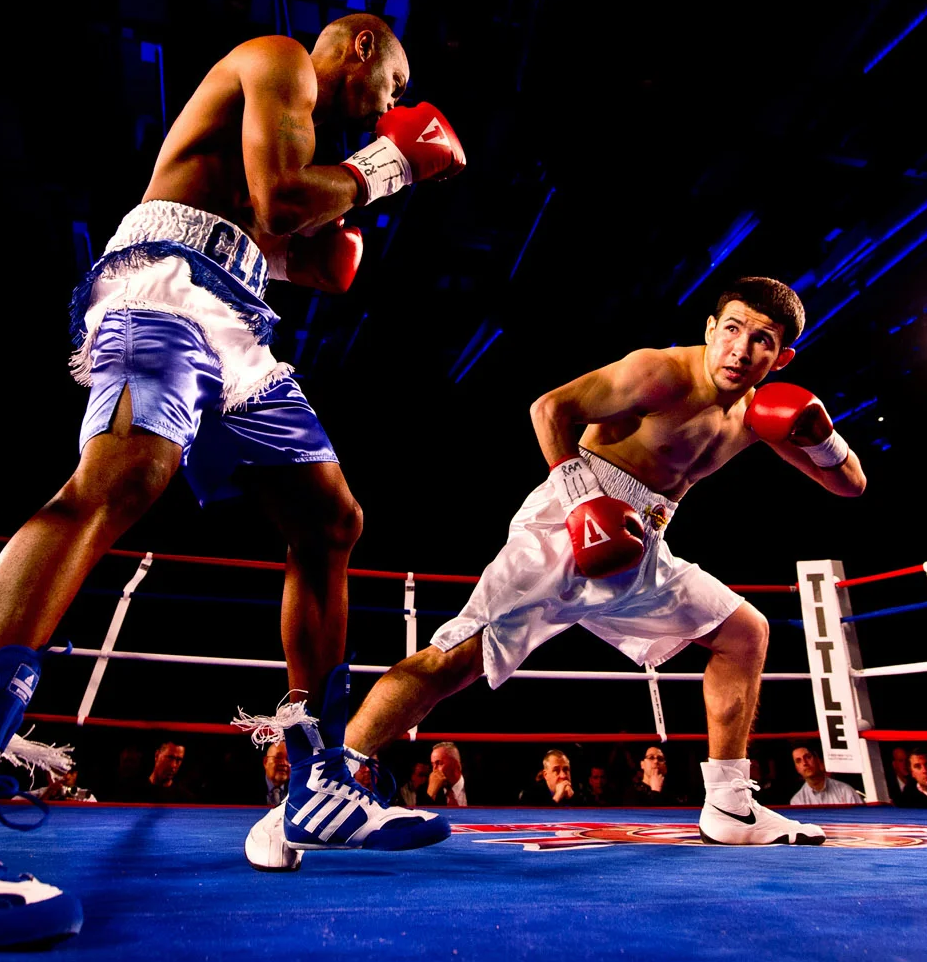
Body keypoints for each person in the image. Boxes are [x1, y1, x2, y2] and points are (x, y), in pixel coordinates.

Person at [0, 14, 465, 948]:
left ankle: (318, 783)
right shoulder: (281, 64)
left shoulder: (292, 137)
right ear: (361, 47)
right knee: (119, 478)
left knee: (330, 519)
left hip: (239, 320)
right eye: (395, 83)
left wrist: (341, 218)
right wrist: (394, 163)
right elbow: (284, 202)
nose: (394, 105)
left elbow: (299, 251)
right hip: (163, 283)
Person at [342, 277, 867, 847]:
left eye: (762, 340)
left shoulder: (761, 411)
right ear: (711, 329)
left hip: (645, 542)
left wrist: (820, 438)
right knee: (455, 659)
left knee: (744, 633)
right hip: (571, 521)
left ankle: (730, 805)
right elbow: (550, 409)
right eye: (733, 329)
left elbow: (850, 486)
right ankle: (331, 779)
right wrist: (582, 502)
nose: (741, 350)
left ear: (782, 356)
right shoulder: (661, 373)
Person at [788, 745, 864, 806]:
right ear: (797, 769)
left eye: (808, 757)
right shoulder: (797, 801)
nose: (804, 763)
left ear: (817, 759)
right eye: (798, 761)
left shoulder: (845, 791)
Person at [519, 750, 586, 806]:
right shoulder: (531, 795)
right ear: (545, 775)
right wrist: (557, 796)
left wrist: (572, 798)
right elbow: (539, 819)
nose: (563, 776)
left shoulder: (580, 792)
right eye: (556, 770)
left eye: (566, 769)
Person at [424, 742, 469, 807]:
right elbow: (421, 814)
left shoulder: (481, 788)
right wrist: (431, 794)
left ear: (456, 764)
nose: (434, 770)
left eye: (439, 763)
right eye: (432, 764)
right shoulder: (424, 790)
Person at [263, 741, 290, 806]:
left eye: (289, 759)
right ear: (265, 762)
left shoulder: (298, 790)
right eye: (278, 758)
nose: (284, 763)